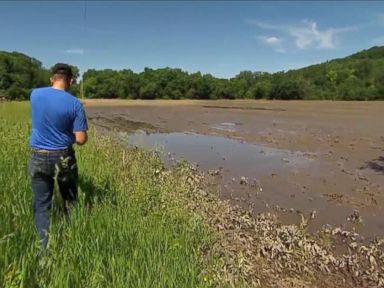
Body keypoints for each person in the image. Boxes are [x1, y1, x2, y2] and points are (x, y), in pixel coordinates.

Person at [28, 63, 88, 248]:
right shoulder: (75, 104)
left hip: (38, 156)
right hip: (63, 156)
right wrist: (66, 134)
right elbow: (81, 139)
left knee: (42, 204)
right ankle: (73, 241)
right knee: (70, 200)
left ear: (52, 78)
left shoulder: (34, 95)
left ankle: (43, 249)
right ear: (71, 80)